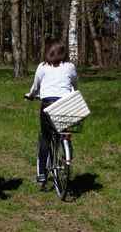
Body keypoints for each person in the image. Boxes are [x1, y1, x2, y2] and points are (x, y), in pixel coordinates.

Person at [25, 40, 78, 182]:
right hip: (65, 104)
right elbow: (74, 84)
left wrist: (31, 95)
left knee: (45, 136)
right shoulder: (70, 66)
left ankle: (42, 172)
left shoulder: (42, 67)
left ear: (49, 52)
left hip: (48, 104)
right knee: (63, 130)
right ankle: (67, 146)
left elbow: (36, 87)